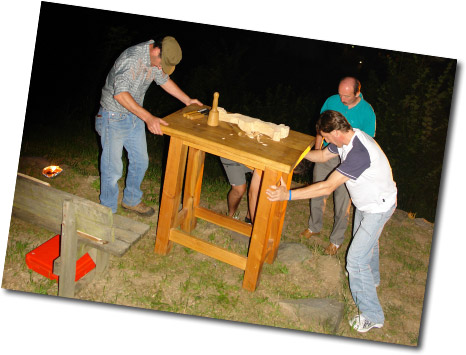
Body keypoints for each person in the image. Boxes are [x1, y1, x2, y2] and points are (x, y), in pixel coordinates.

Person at [266, 110, 397, 333]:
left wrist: (286, 194)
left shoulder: (358, 152)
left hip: (378, 207)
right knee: (368, 243)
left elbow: (327, 187)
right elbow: (323, 156)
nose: (325, 140)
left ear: (336, 132)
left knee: (355, 260)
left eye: (326, 136)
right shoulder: (346, 138)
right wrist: (299, 152)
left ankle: (373, 315)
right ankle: (371, 280)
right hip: (368, 204)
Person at [95, 36, 202, 216]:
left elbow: (164, 80)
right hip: (112, 117)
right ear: (155, 51)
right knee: (112, 168)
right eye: (162, 64)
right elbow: (120, 94)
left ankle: (131, 200)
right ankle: (107, 210)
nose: (161, 68)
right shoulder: (131, 58)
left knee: (141, 161)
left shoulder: (156, 60)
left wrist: (188, 100)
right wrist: (149, 118)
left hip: (134, 116)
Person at [301, 77, 376, 255]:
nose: (341, 99)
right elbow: (320, 129)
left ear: (357, 93)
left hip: (349, 161)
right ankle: (314, 226)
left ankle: (336, 240)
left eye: (347, 96)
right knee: (317, 190)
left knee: (342, 202)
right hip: (328, 154)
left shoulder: (367, 111)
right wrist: (317, 151)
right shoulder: (331, 100)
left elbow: (368, 142)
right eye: (340, 94)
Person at [220, 158, 261, 224]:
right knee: (239, 190)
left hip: (255, 155)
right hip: (233, 154)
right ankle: (231, 215)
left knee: (260, 185)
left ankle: (250, 217)